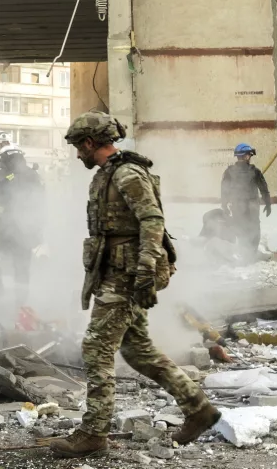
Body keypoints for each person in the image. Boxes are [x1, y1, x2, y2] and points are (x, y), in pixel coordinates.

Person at [46, 112, 219, 458]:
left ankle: (94, 432)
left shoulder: (127, 173)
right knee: (137, 350)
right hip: (115, 273)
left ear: (90, 143)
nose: (78, 154)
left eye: (79, 148)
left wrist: (144, 272)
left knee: (96, 348)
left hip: (126, 277)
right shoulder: (106, 175)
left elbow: (152, 220)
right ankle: (198, 408)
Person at [0, 131, 44, 304]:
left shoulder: (2, 163)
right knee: (22, 264)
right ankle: (21, 304)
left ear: (2, 144)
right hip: (27, 227)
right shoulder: (31, 174)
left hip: (6, 225)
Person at [220, 143, 271, 260]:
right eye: (249, 155)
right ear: (245, 156)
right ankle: (250, 256)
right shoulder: (255, 171)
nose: (250, 157)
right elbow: (264, 189)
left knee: (240, 230)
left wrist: (224, 206)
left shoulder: (229, 172)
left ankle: (244, 257)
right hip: (252, 206)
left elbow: (224, 190)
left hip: (237, 206)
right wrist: (268, 204)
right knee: (253, 231)